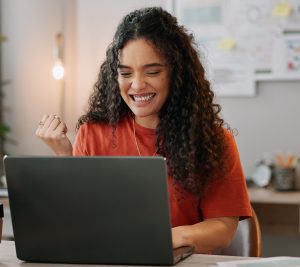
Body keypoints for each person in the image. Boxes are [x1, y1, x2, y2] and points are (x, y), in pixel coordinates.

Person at [36, 7, 252, 254]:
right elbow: (78, 220)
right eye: (125, 73)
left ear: (177, 73)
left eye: (152, 72)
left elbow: (223, 228)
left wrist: (162, 238)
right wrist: (65, 158)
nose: (137, 85)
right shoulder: (93, 133)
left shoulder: (213, 140)